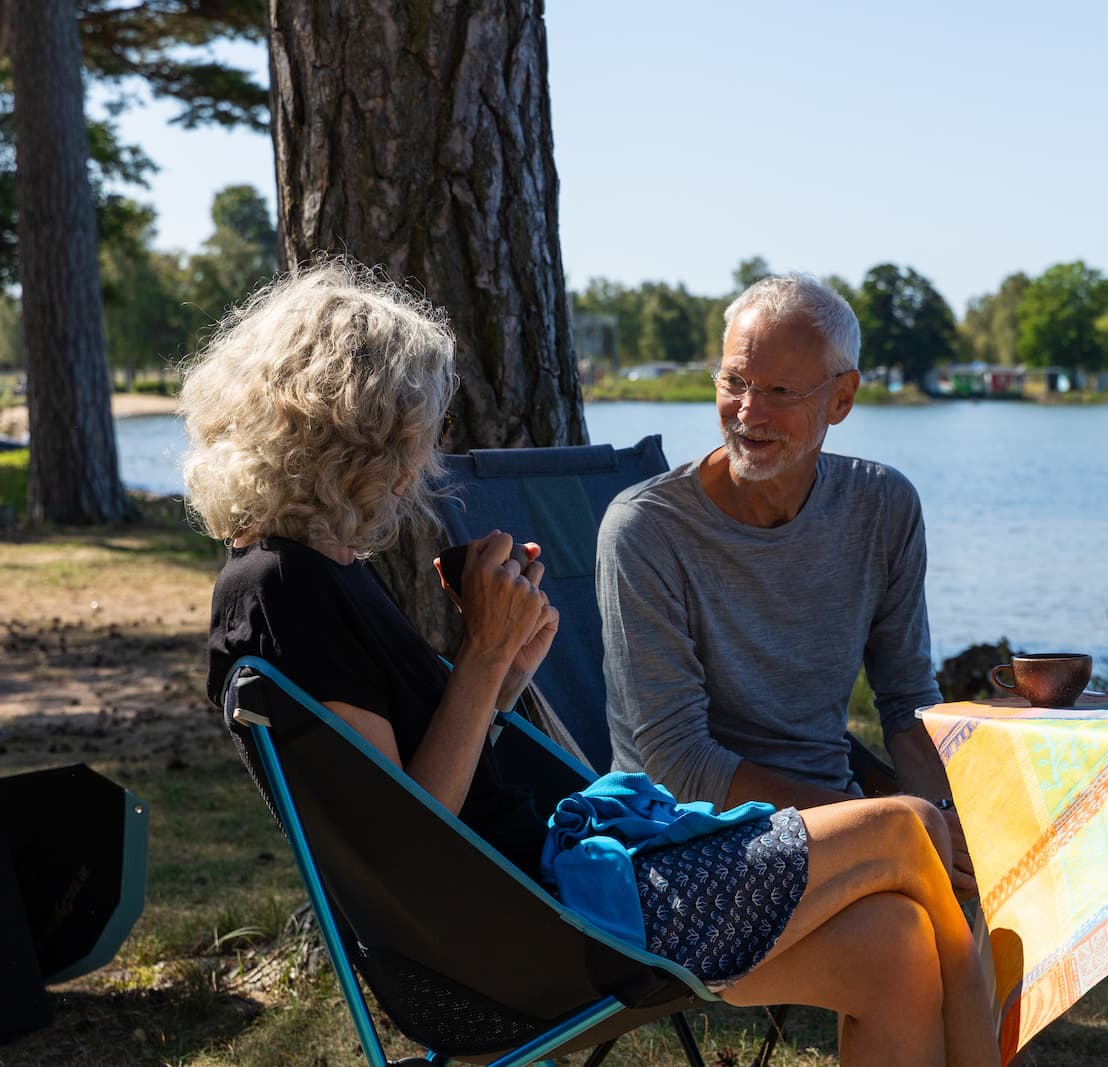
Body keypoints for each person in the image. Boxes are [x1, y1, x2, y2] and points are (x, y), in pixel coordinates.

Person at [181, 260, 997, 1067]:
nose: (424, 455)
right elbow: (407, 842)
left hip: (559, 893)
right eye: (414, 428)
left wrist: (503, 670)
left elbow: (424, 784)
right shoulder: (281, 589)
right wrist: (483, 656)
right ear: (352, 430)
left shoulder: (323, 571)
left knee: (892, 947)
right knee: (907, 824)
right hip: (534, 933)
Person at [598, 273, 975, 895]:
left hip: (844, 823)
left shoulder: (882, 507)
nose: (749, 413)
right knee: (905, 935)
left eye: (778, 390)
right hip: (686, 844)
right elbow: (678, 765)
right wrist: (887, 825)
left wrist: (953, 830)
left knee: (983, 899)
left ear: (842, 399)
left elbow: (906, 705)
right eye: (734, 382)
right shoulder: (646, 530)